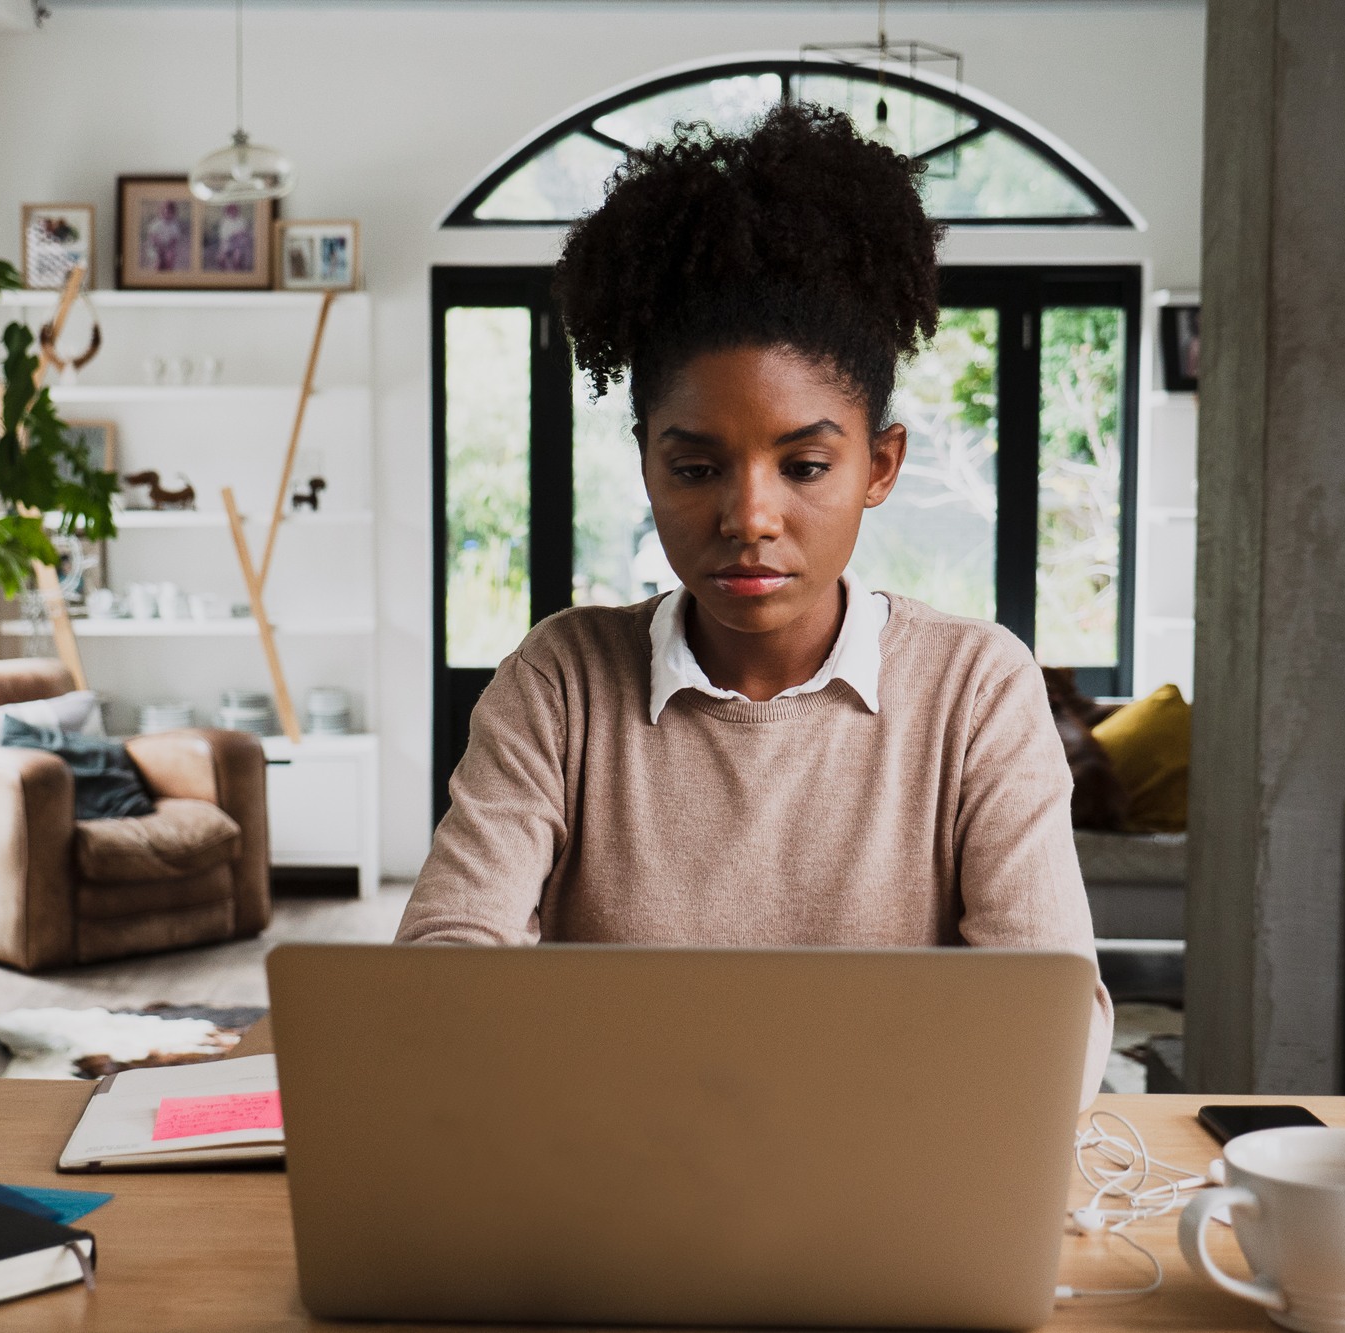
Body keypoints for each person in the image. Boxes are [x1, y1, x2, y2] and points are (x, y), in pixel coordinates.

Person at [396, 102, 1113, 1105]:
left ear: (880, 465)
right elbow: (443, 969)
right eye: (693, 466)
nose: (747, 516)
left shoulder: (973, 687)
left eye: (805, 464)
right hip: (614, 1186)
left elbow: (1050, 1019)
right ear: (645, 463)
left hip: (887, 1194)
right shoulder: (559, 680)